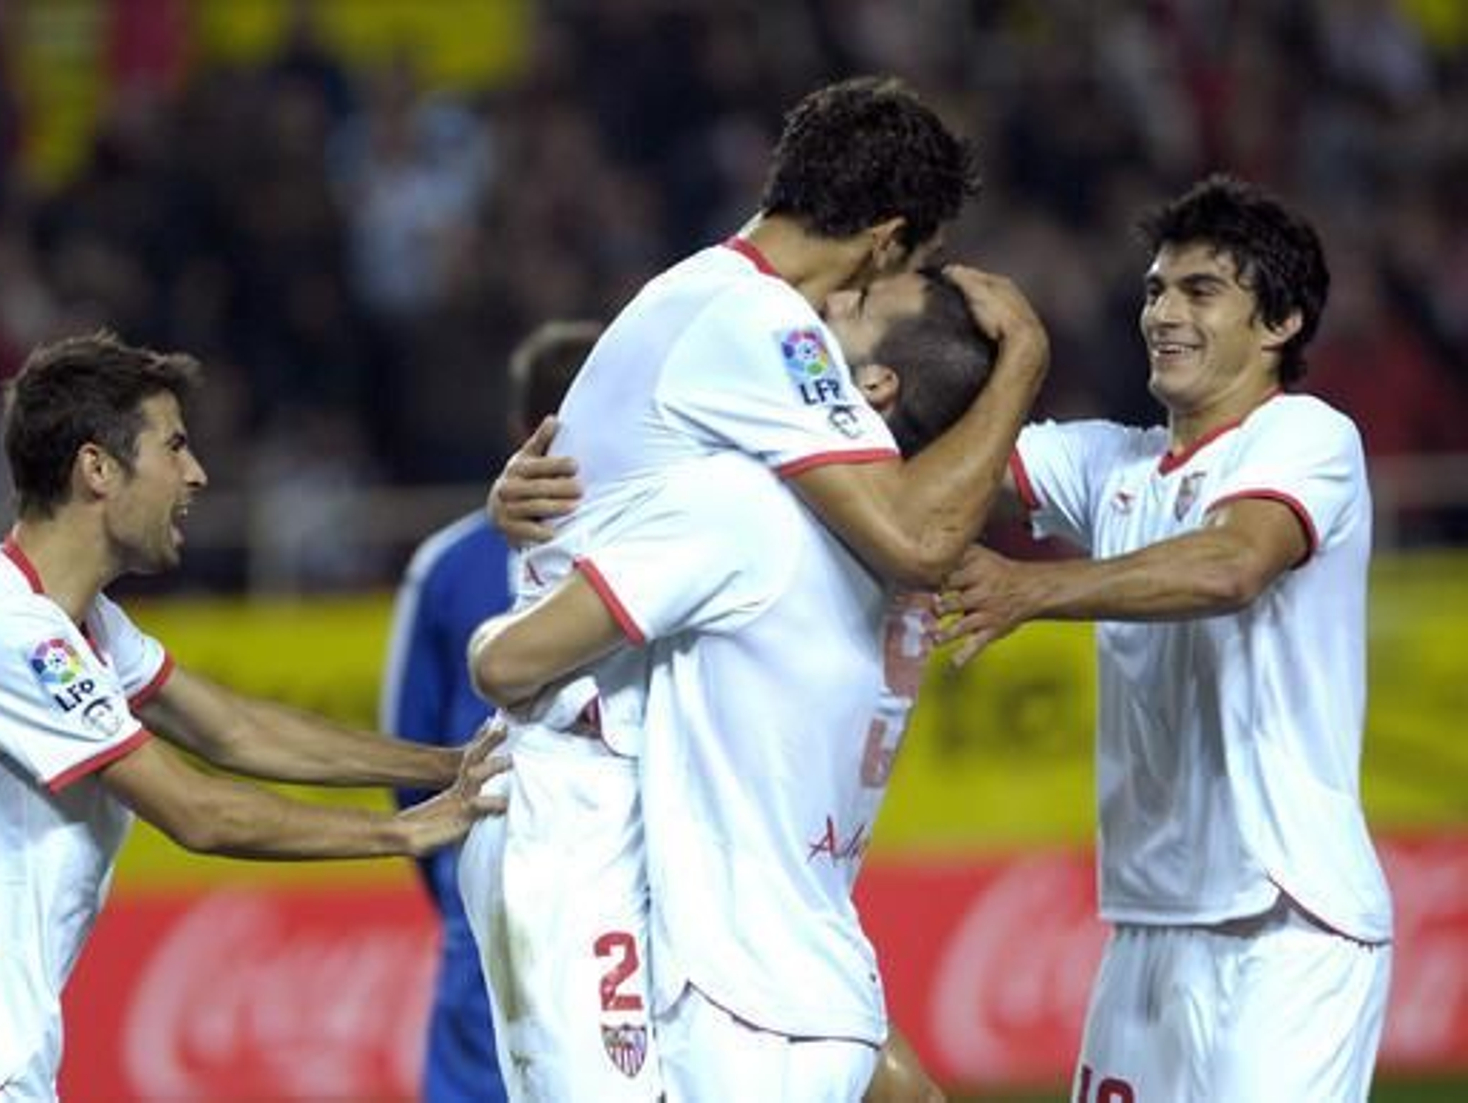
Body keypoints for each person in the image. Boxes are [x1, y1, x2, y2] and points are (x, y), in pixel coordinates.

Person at [0, 332, 507, 1102]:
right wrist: (407, 828)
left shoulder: (74, 621)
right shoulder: (7, 633)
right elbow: (197, 810)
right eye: (173, 446)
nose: (197, 473)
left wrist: (451, 763)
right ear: (97, 468)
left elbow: (231, 731)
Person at [467, 263, 1027, 1101]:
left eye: (860, 303)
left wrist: (533, 556)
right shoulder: (908, 562)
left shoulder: (746, 510)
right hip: (834, 992)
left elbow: (503, 665)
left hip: (743, 1012)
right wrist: (1023, 363)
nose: (829, 296)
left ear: (871, 384)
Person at [934, 175, 1392, 1101]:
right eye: (1154, 289)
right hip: (1149, 924)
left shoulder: (1306, 437)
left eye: (1200, 290)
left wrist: (1033, 587)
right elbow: (941, 459)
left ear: (1281, 323)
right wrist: (1004, 349)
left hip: (1286, 920)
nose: (1164, 313)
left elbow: (1232, 565)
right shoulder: (1116, 464)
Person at [378, 319, 601, 1103]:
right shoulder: (656, 545)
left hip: (491, 865)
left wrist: (447, 872)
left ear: (518, 429)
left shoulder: (445, 565)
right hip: (614, 871)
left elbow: (404, 741)